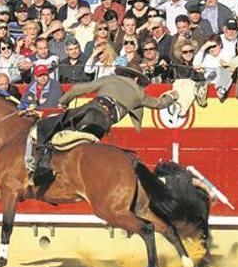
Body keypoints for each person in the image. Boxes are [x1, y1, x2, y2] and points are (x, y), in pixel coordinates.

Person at [29, 64, 178, 185]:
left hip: (88, 111)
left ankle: (42, 167)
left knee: (47, 127)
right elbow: (160, 104)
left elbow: (78, 89)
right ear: (137, 79)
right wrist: (172, 96)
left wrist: (63, 101)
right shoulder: (139, 93)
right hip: (103, 123)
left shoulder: (110, 80)